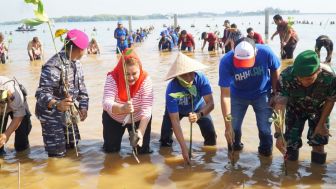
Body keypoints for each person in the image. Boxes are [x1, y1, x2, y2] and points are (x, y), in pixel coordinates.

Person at [219, 37, 280, 157]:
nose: (245, 67)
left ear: (256, 52)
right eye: (241, 63)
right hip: (237, 95)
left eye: (247, 62)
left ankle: (266, 157)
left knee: (264, 129)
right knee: (233, 128)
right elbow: (225, 96)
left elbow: (275, 69)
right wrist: (227, 126)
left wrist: (275, 93)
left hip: (262, 93)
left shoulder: (266, 52)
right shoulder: (226, 61)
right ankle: (234, 152)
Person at [274, 50, 336, 164]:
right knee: (290, 145)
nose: (302, 82)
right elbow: (279, 105)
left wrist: (321, 124)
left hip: (319, 111)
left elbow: (330, 100)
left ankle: (317, 178)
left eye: (308, 79)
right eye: (299, 78)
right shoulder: (286, 76)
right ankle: (291, 178)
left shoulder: (330, 77)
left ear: (318, 70)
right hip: (295, 109)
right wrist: (278, 134)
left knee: (318, 143)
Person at [35, 29, 89, 157]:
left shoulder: (77, 63)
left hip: (69, 114)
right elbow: (41, 94)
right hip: (51, 117)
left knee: (73, 148)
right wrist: (56, 104)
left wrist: (84, 107)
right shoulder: (53, 65)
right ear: (80, 49)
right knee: (57, 155)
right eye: (85, 48)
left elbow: (82, 89)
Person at [160, 52, 217, 163]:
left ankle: (210, 160)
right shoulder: (171, 89)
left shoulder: (201, 79)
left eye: (191, 73)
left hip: (198, 107)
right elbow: (175, 121)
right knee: (165, 140)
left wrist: (199, 115)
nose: (189, 78)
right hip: (177, 110)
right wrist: (184, 148)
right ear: (177, 76)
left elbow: (211, 103)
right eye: (184, 75)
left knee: (211, 136)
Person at [102, 48, 153, 154]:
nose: (130, 78)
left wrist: (140, 132)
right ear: (121, 71)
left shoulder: (146, 80)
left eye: (134, 73)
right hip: (114, 118)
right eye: (126, 74)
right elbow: (106, 102)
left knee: (142, 152)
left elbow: (147, 109)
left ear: (140, 69)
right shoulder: (112, 78)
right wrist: (122, 108)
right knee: (111, 151)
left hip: (138, 118)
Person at [0, 76, 32, 155]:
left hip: (17, 106)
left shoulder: (13, 93)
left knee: (22, 138)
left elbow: (19, 116)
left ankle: (22, 157)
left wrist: (6, 135)